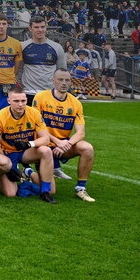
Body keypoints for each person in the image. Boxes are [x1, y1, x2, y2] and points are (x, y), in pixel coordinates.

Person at [32, 69, 96, 201]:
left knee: (87, 148)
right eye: (60, 80)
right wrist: (58, 142)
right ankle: (29, 173)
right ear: (53, 81)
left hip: (63, 145)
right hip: (42, 145)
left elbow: (80, 132)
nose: (64, 83)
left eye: (67, 80)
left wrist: (67, 144)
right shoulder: (40, 97)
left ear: (71, 82)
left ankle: (81, 189)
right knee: (51, 191)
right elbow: (36, 126)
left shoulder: (76, 103)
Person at [0, 87, 57, 203]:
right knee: (10, 194)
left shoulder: (34, 113)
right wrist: (8, 165)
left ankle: (44, 190)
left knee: (46, 151)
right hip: (8, 153)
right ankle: (8, 173)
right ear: (9, 101)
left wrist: (29, 144)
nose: (20, 104)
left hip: (25, 152)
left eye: (23, 101)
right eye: (16, 101)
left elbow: (46, 139)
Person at [20, 15, 67, 105]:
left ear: (46, 28)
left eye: (42, 27)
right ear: (30, 28)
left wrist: (61, 91)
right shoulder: (23, 46)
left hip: (50, 93)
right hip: (28, 93)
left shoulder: (56, 47)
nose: (40, 30)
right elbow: (19, 70)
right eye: (36, 27)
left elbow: (62, 71)